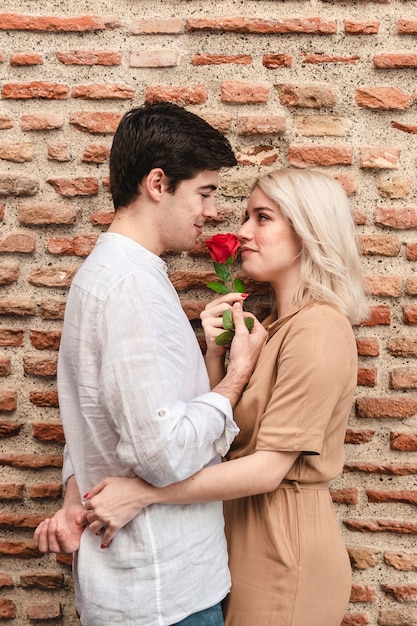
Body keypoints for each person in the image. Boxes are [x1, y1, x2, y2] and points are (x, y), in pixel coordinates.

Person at [80, 167, 370, 626]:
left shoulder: (319, 328)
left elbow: (268, 468)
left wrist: (143, 493)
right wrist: (218, 357)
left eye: (262, 218)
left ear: (307, 230)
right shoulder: (274, 328)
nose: (242, 232)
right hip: (242, 540)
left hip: (284, 547)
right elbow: (226, 433)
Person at [33, 102, 268, 626]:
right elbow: (161, 454)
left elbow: (94, 418)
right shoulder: (130, 287)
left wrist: (75, 494)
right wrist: (233, 380)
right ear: (158, 183)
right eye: (205, 192)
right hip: (166, 594)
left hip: (143, 586)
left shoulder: (108, 274)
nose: (212, 212)